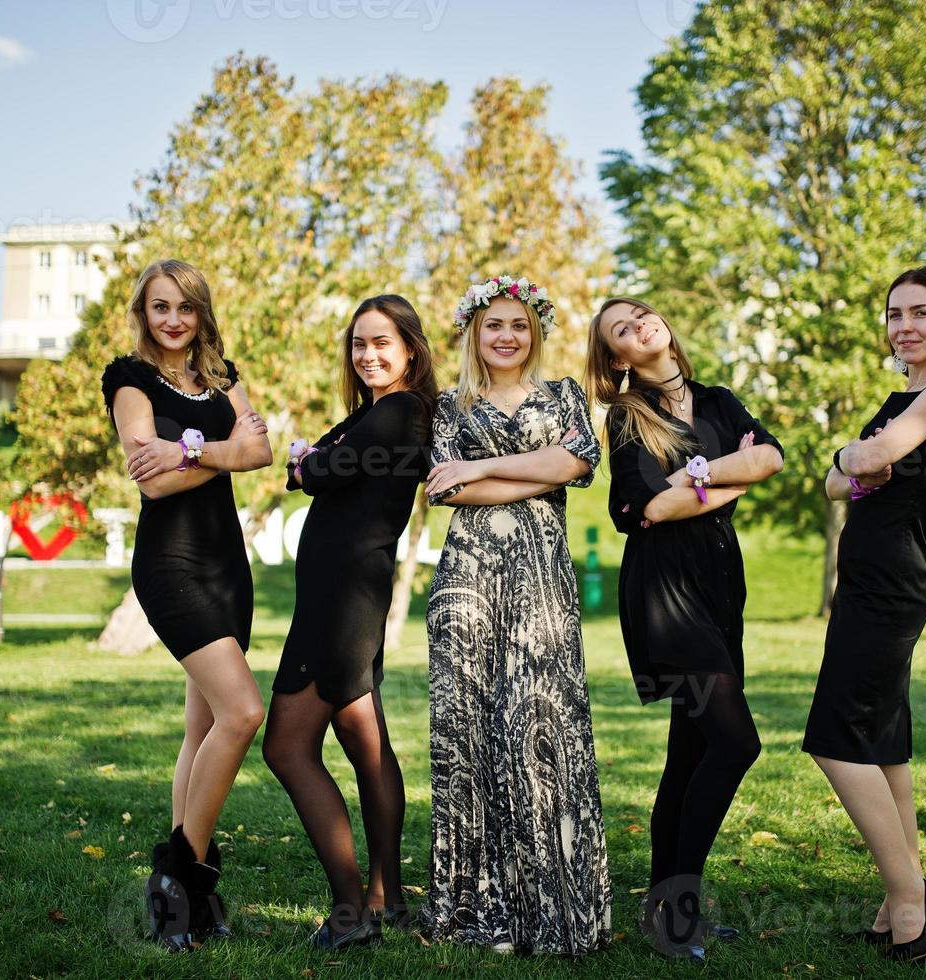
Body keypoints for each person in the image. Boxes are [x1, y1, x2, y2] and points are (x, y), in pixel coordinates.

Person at [802, 266, 926, 964]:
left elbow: (866, 458)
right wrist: (852, 463)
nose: (904, 326)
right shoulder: (908, 395)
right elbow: (835, 484)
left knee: (834, 740)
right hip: (867, 580)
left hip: (890, 584)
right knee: (881, 740)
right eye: (893, 314)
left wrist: (856, 457)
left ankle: (910, 892)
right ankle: (901, 898)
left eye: (919, 313)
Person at [585, 296, 784, 965]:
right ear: (617, 358)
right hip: (663, 595)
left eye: (640, 311)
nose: (638, 323)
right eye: (620, 328)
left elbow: (773, 461)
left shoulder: (719, 399)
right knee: (734, 743)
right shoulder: (625, 416)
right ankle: (675, 913)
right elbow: (648, 507)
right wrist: (734, 475)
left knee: (690, 753)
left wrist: (701, 476)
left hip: (719, 586)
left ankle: (667, 909)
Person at [419, 275, 612, 956]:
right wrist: (541, 470)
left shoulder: (563, 394)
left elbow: (579, 460)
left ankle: (549, 904)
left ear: (534, 333)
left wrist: (484, 474)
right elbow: (443, 485)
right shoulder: (447, 404)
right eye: (494, 324)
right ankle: (478, 910)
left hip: (539, 571)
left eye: (518, 325)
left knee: (537, 723)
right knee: (468, 729)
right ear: (475, 330)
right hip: (466, 579)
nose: (506, 336)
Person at [103, 258, 272, 952]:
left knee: (202, 729)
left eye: (185, 308)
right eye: (158, 307)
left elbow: (261, 451)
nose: (172, 320)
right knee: (243, 713)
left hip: (229, 567)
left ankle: (188, 898)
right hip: (170, 567)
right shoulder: (129, 378)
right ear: (142, 314)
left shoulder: (224, 379)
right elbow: (154, 484)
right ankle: (180, 882)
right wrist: (218, 447)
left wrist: (190, 448)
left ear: (201, 313)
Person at [261, 295, 436, 951]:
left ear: (411, 350)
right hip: (348, 596)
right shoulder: (382, 412)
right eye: (358, 344)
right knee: (365, 745)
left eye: (381, 343)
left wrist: (309, 463)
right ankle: (384, 895)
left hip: (340, 601)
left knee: (287, 748)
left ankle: (350, 911)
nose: (367, 355)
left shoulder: (399, 410)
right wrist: (311, 463)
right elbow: (316, 464)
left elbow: (318, 466)